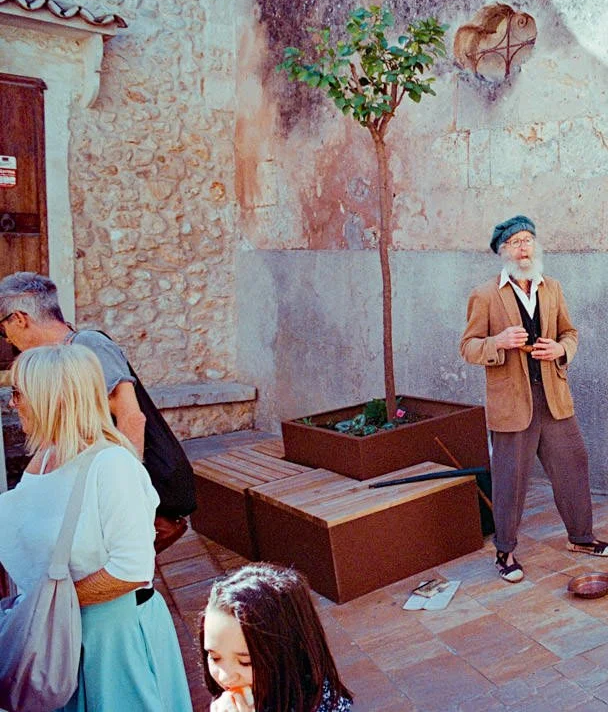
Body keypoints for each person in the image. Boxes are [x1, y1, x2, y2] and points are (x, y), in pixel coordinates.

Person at [0, 344, 191, 711]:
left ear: (50, 396)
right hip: (60, 638)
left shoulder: (112, 465)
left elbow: (131, 569)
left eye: (18, 393)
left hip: (112, 642)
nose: (12, 404)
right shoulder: (43, 459)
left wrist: (51, 605)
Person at [460, 214, 608, 583]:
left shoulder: (552, 288)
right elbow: (467, 347)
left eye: (528, 240)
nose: (523, 247)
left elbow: (570, 333)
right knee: (510, 478)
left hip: (554, 397)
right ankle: (505, 551)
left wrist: (560, 349)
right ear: (503, 251)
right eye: (515, 242)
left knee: (574, 464)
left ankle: (581, 538)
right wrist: (497, 343)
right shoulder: (485, 295)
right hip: (512, 403)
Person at [0, 272, 194, 551]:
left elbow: (131, 417)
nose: (6, 339)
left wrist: (127, 492)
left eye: (2, 328)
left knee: (120, 568)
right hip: (98, 482)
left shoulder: (88, 344)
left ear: (19, 318)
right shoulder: (60, 359)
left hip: (129, 479)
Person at [202, 563, 352, 712]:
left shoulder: (322, 705)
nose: (225, 677)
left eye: (245, 662)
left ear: (289, 652)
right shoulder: (237, 691)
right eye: (214, 657)